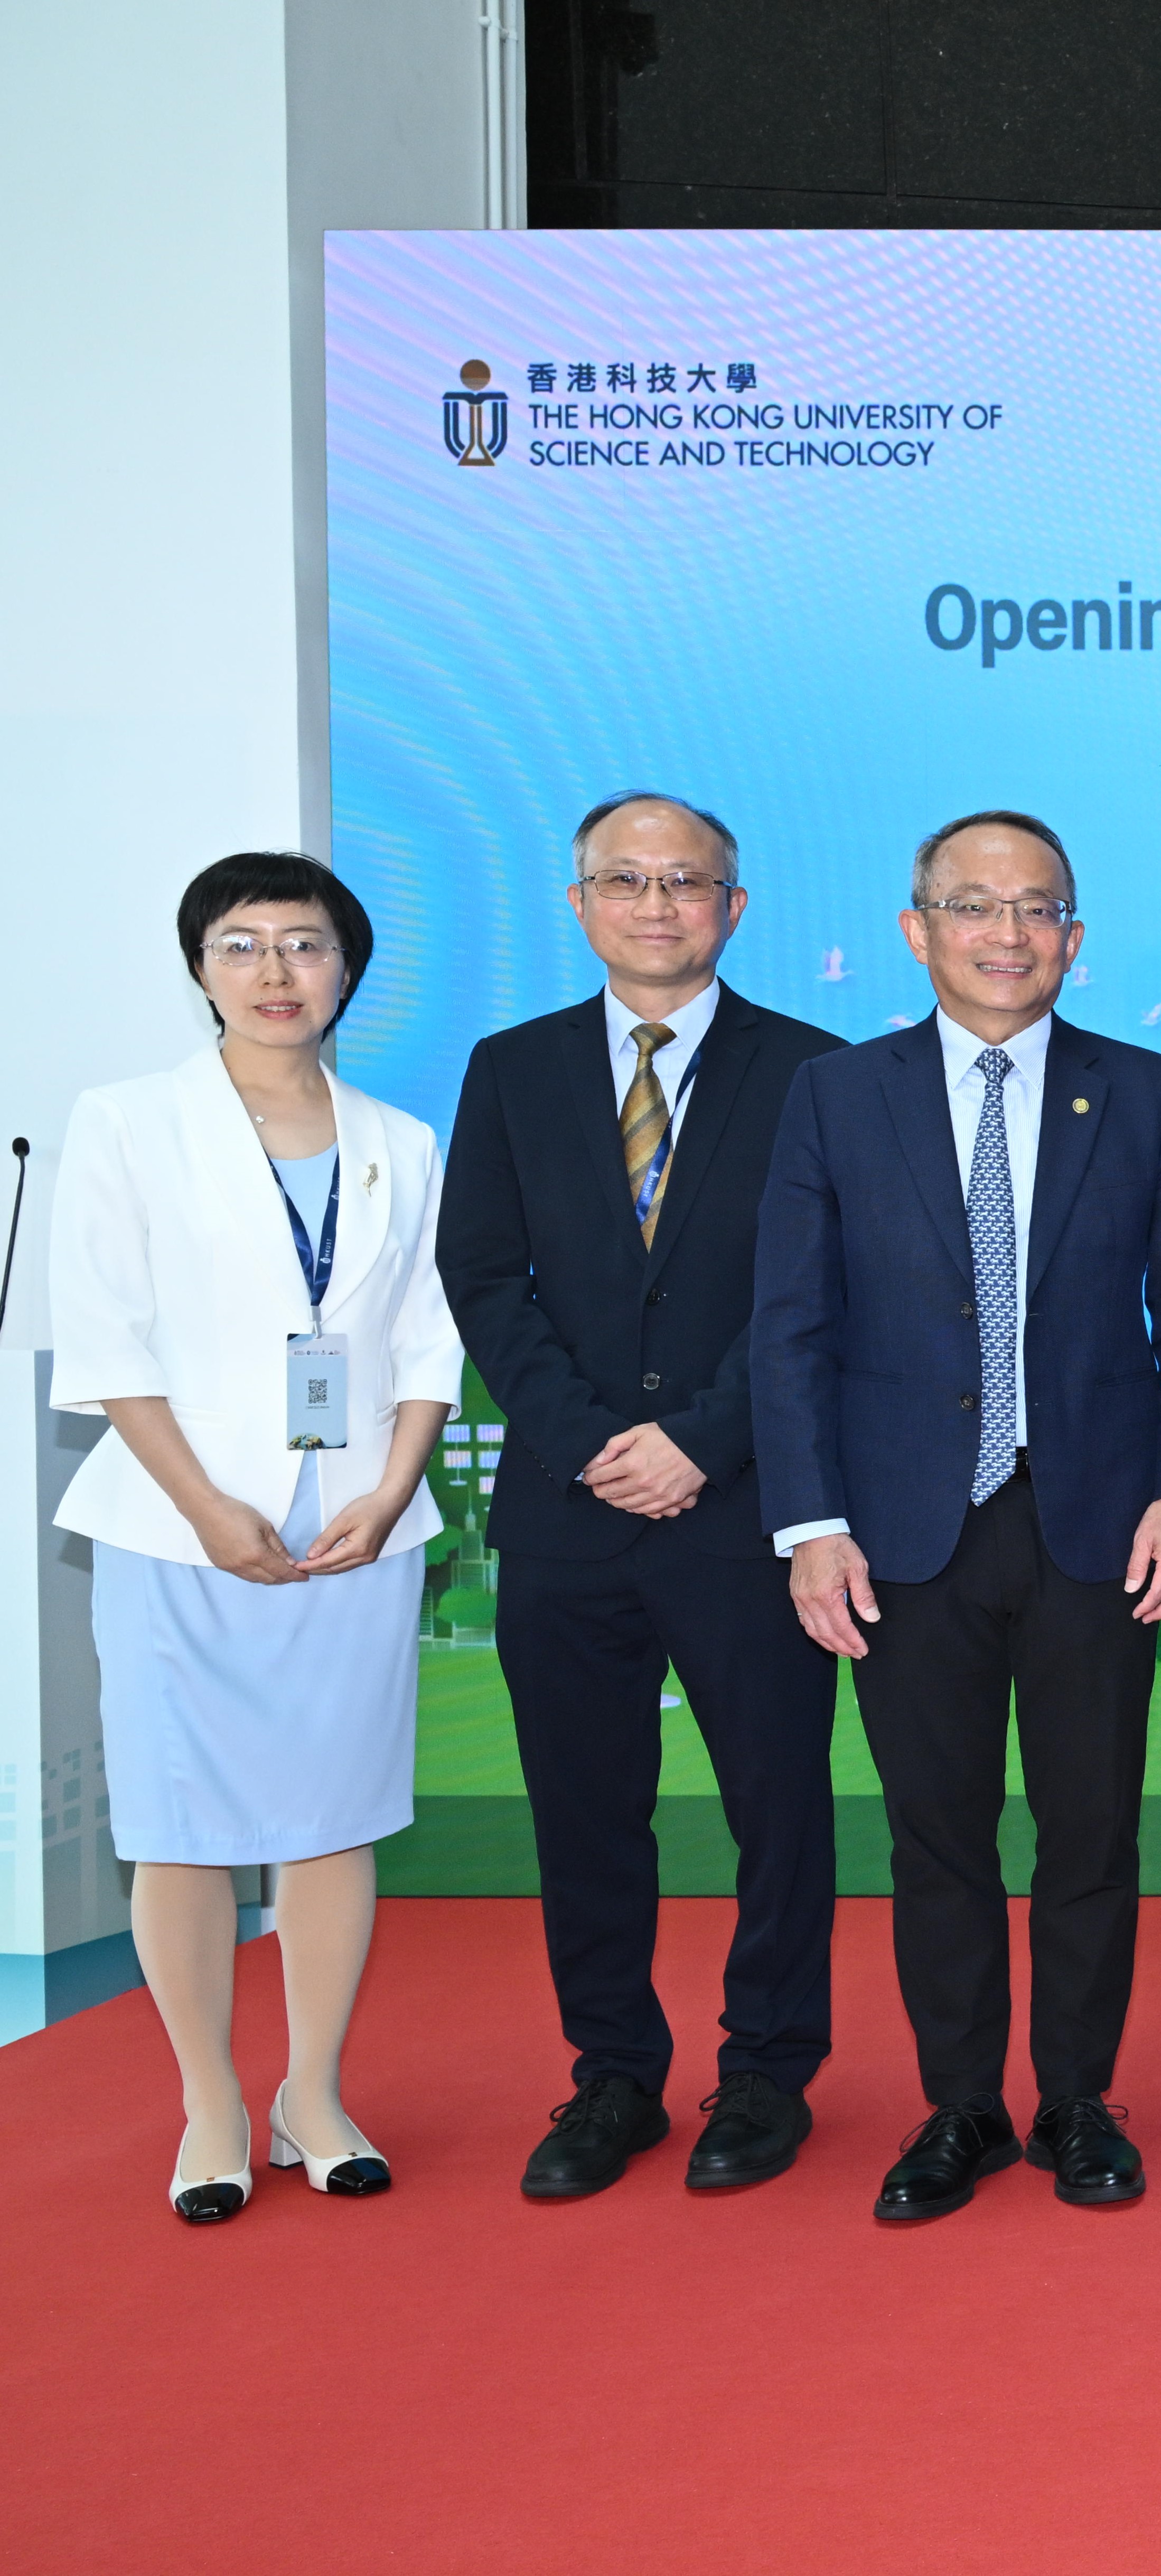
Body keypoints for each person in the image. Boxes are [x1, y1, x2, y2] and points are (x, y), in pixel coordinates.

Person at [750, 809, 1161, 2222]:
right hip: (903, 1528)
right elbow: (790, 1329)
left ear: (1073, 940)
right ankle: (958, 2104)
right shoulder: (840, 1096)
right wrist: (810, 1524)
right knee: (937, 1835)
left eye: (1037, 910)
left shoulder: (1143, 1090)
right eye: (975, 906)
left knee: (1091, 1829)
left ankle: (1079, 2100)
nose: (1007, 934)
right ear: (919, 931)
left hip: (1095, 1521)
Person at [438, 791, 847, 2199]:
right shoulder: (511, 1070)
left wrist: (704, 1438)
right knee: (584, 1805)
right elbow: (486, 1274)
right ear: (580, 903)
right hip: (568, 1510)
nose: (657, 903)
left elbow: (822, 1289)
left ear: (734, 907)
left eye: (688, 881)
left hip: (748, 1510)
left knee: (780, 1805)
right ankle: (612, 2071)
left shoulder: (818, 1073)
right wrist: (582, 1436)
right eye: (627, 878)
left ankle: (767, 2069)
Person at [50, 853, 463, 2222]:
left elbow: (424, 1342)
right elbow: (107, 1339)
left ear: (346, 969)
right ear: (199, 968)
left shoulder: (400, 1140)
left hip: (355, 1525)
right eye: (242, 945)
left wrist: (396, 1486)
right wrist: (205, 1505)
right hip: (182, 1528)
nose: (276, 972)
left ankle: (314, 2092)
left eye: (305, 945)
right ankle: (213, 2103)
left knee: (332, 1821)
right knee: (180, 1825)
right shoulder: (125, 1123)